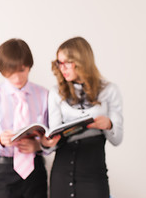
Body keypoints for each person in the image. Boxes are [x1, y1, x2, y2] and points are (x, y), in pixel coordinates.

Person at [46, 37, 123, 198]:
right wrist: (47, 143)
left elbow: (117, 139)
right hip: (61, 173)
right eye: (60, 63)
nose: (63, 68)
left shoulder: (109, 90)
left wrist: (108, 125)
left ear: (81, 61)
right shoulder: (56, 92)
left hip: (93, 174)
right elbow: (54, 134)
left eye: (68, 62)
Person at [0, 38, 51, 198]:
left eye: (22, 70)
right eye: (11, 72)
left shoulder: (45, 95)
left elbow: (54, 136)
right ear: (2, 70)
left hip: (35, 172)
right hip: (3, 173)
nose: (17, 77)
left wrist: (39, 146)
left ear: (29, 66)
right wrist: (0, 141)